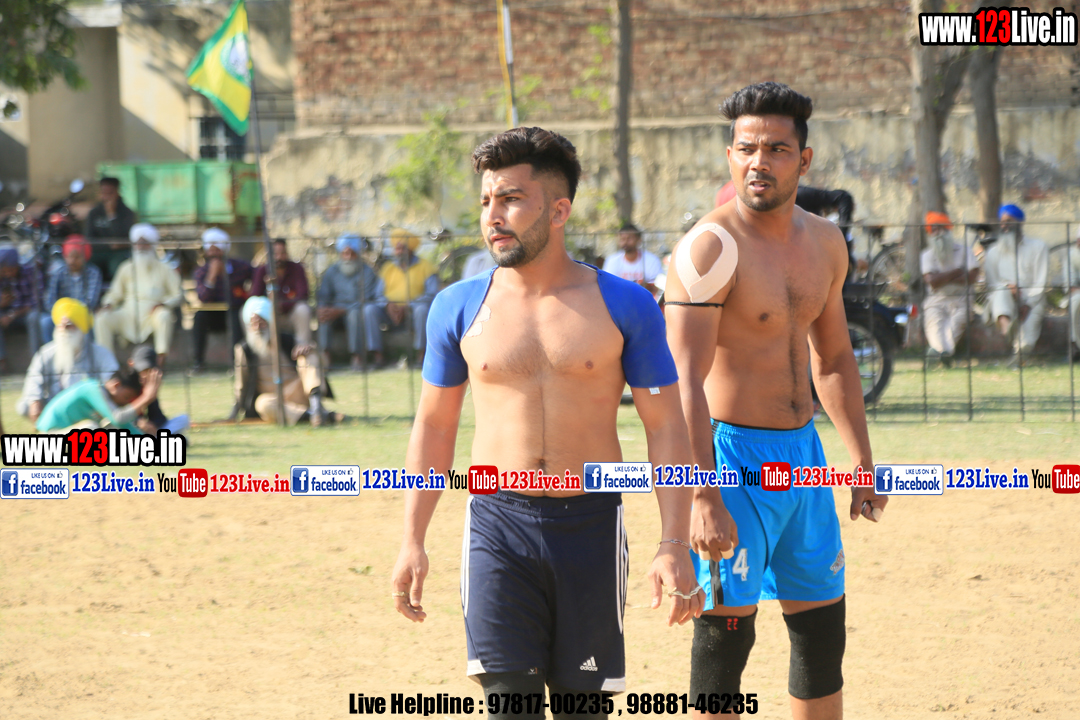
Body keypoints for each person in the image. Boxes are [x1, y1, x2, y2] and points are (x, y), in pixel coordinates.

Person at [390, 127, 702, 718]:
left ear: (559, 211)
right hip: (496, 527)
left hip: (591, 526)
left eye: (511, 199)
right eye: (487, 200)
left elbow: (666, 426)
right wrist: (412, 539)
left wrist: (673, 543)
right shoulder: (457, 306)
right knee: (510, 707)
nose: (493, 215)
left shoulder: (626, 305)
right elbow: (433, 428)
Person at [663, 83, 884, 720]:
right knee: (725, 641)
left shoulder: (826, 242)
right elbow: (683, 379)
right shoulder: (709, 247)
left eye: (777, 149)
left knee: (821, 633)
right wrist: (702, 496)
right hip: (729, 461)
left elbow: (833, 358)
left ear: (803, 160)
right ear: (730, 156)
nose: (759, 161)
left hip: (803, 458)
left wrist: (861, 462)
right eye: (746, 148)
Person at [232, 296, 342, 427]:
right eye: (254, 323)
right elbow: (241, 385)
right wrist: (234, 413)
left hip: (299, 392)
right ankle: (317, 416)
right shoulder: (244, 350)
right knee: (262, 404)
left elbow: (323, 364)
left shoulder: (287, 340)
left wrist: (311, 350)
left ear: (270, 323)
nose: (258, 327)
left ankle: (317, 407)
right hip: (274, 400)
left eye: (262, 322)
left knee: (309, 355)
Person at [16, 298, 118, 424]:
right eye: (60, 325)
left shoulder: (100, 353)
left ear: (81, 329)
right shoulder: (46, 353)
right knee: (23, 406)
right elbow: (33, 377)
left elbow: (112, 381)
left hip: (87, 408)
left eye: (69, 326)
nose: (63, 330)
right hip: (55, 406)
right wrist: (35, 401)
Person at [95, 223, 183, 366]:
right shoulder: (126, 267)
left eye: (145, 243)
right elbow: (115, 293)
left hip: (151, 314)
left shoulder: (165, 269)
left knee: (164, 315)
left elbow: (178, 294)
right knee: (101, 318)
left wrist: (163, 304)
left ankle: (160, 360)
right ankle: (107, 364)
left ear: (152, 245)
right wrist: (108, 304)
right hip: (127, 314)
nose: (141, 247)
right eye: (138, 244)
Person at [983, 204, 1049, 366]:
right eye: (1002, 222)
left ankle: (1017, 358)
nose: (1005, 225)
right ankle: (1007, 328)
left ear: (1020, 223)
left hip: (1032, 300)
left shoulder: (1038, 247)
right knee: (1000, 289)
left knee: (1026, 342)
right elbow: (991, 284)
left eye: (1009, 221)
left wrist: (1028, 304)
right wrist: (1009, 287)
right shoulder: (993, 252)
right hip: (1003, 300)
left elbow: (1040, 282)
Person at [364, 228, 438, 367]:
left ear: (410, 249)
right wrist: (388, 305)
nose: (398, 252)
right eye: (396, 249)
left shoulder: (426, 267)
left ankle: (421, 355)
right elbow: (378, 294)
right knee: (369, 310)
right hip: (389, 312)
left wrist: (408, 306)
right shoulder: (388, 268)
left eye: (402, 248)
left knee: (422, 310)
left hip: (413, 311)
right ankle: (377, 356)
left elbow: (431, 294)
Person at [919, 212, 979, 367]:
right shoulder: (927, 255)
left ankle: (938, 353)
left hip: (961, 299)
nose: (938, 233)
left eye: (941, 228)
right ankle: (944, 354)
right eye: (934, 230)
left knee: (955, 326)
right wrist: (957, 272)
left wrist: (943, 278)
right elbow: (932, 282)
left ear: (948, 230)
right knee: (934, 326)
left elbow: (972, 277)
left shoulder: (965, 250)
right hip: (936, 299)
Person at [316, 233, 379, 371]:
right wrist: (323, 309)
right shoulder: (331, 271)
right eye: (345, 253)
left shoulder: (367, 272)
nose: (348, 257)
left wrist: (342, 310)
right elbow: (323, 295)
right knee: (324, 314)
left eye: (352, 253)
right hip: (334, 311)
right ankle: (325, 356)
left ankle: (357, 357)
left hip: (354, 311)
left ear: (358, 253)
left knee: (354, 314)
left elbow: (366, 299)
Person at [191, 228, 252, 371]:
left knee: (235, 315)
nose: (214, 254)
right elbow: (203, 297)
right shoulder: (201, 271)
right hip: (214, 315)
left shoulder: (239, 266)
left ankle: (236, 363)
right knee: (199, 317)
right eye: (211, 251)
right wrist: (211, 277)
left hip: (234, 311)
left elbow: (257, 276)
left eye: (217, 250)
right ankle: (198, 362)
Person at [36, 366, 161, 434]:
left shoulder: (104, 396)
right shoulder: (92, 389)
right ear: (116, 385)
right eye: (127, 397)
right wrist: (147, 398)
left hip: (65, 433)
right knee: (91, 429)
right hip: (49, 434)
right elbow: (118, 418)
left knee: (108, 427)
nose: (126, 403)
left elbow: (123, 425)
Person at [41, 235, 104, 344]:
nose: (72, 261)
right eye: (69, 257)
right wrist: (63, 315)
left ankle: (87, 352)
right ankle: (54, 351)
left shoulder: (93, 273)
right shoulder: (59, 273)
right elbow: (50, 300)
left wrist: (73, 314)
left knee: (94, 321)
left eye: (77, 257)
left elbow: (91, 301)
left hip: (83, 314)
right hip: (61, 315)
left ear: (85, 257)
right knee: (45, 321)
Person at [251, 238, 312, 345]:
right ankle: (261, 349)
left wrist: (282, 305)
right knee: (251, 313)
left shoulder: (297, 269)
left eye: (282, 253)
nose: (279, 257)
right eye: (276, 254)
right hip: (269, 315)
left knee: (303, 309)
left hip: (290, 314)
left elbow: (303, 295)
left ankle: (302, 347)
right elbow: (255, 296)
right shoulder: (262, 271)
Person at [84, 177, 137, 283]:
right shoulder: (94, 213)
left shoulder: (127, 213)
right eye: (104, 193)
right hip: (100, 250)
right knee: (88, 265)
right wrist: (109, 245)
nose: (107, 197)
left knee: (117, 267)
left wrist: (112, 216)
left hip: (119, 252)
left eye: (110, 193)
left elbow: (127, 238)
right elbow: (89, 238)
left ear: (117, 193)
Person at [127, 344, 189, 434]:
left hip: (147, 432)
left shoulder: (149, 385)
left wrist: (151, 425)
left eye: (149, 371)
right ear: (131, 364)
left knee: (184, 419)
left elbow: (158, 417)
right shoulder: (126, 384)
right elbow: (119, 413)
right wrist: (137, 422)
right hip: (128, 427)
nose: (144, 375)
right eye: (142, 370)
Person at [0, 247, 40, 372]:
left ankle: (36, 361)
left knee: (34, 317)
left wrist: (12, 315)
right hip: (7, 316)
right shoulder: (2, 277)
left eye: (10, 270)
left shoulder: (30, 272)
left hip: (25, 314)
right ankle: (1, 362)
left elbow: (36, 302)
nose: (8, 274)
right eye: (4, 271)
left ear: (17, 265)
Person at [602, 223, 663, 297]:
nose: (625, 242)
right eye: (622, 239)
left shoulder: (652, 260)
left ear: (638, 240)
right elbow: (607, 285)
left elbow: (658, 285)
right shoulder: (612, 260)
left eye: (629, 238)